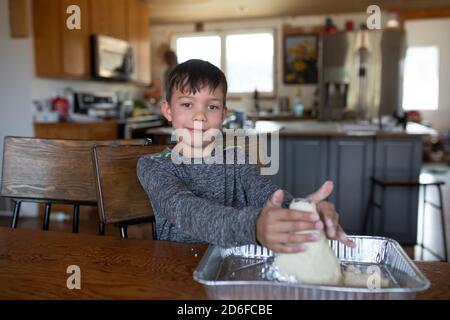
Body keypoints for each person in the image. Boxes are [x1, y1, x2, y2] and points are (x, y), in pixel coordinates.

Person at [137, 59, 355, 253]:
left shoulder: (238, 160)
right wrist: (254, 227)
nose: (200, 116)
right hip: (176, 274)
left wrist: (303, 213)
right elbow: (185, 210)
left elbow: (265, 193)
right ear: (167, 110)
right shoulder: (152, 166)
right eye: (187, 104)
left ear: (223, 114)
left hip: (230, 270)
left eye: (211, 106)